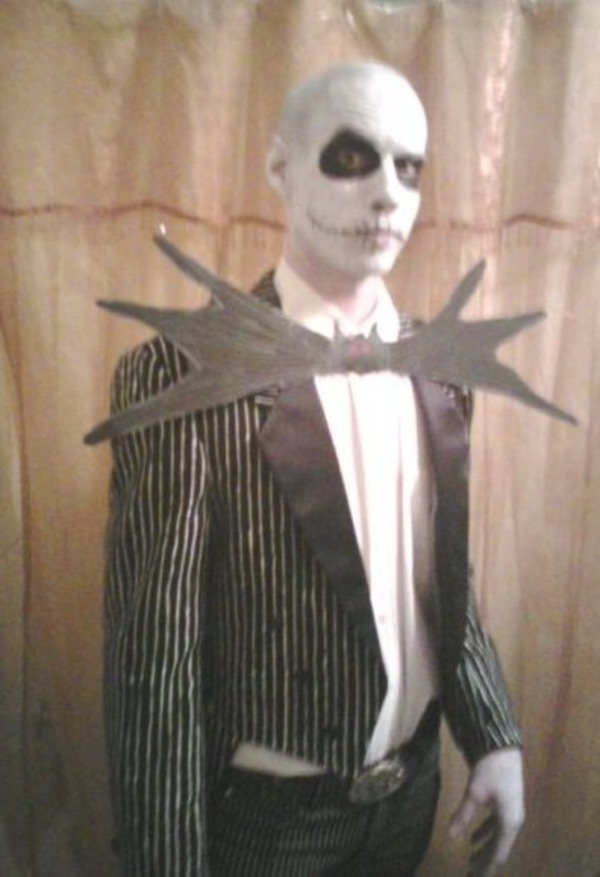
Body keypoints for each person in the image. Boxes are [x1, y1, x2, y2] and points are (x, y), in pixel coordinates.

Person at [103, 61, 525, 876]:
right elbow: (155, 657)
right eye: (351, 157)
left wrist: (494, 732)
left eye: (409, 167)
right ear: (280, 166)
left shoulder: (442, 364)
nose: (388, 194)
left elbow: (439, 577)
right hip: (265, 824)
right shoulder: (181, 374)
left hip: (412, 800)